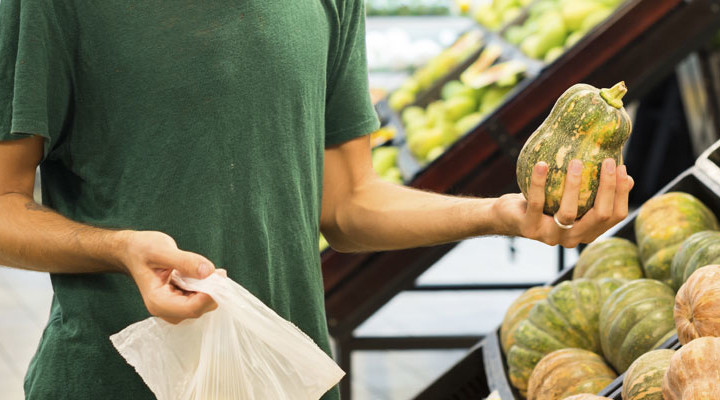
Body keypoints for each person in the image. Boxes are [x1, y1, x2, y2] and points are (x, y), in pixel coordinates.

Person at [0, 0, 633, 399]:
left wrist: (500, 215)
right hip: (114, 381)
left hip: (287, 376)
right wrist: (119, 248)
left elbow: (348, 204)